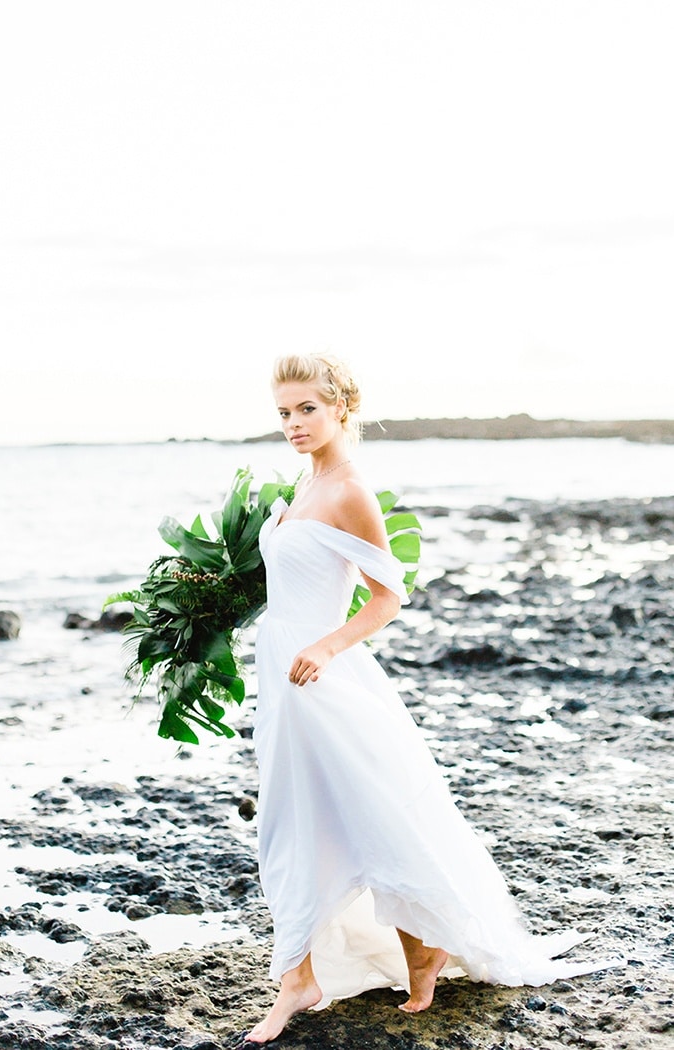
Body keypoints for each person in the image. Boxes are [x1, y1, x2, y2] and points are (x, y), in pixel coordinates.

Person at [245, 353, 619, 1045]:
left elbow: (388, 597)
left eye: (306, 410)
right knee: (293, 820)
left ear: (340, 409)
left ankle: (395, 953)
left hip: (323, 677)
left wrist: (327, 647)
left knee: (363, 814)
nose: (294, 424)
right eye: (284, 413)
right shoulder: (304, 484)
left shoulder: (349, 489)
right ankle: (337, 968)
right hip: (282, 677)